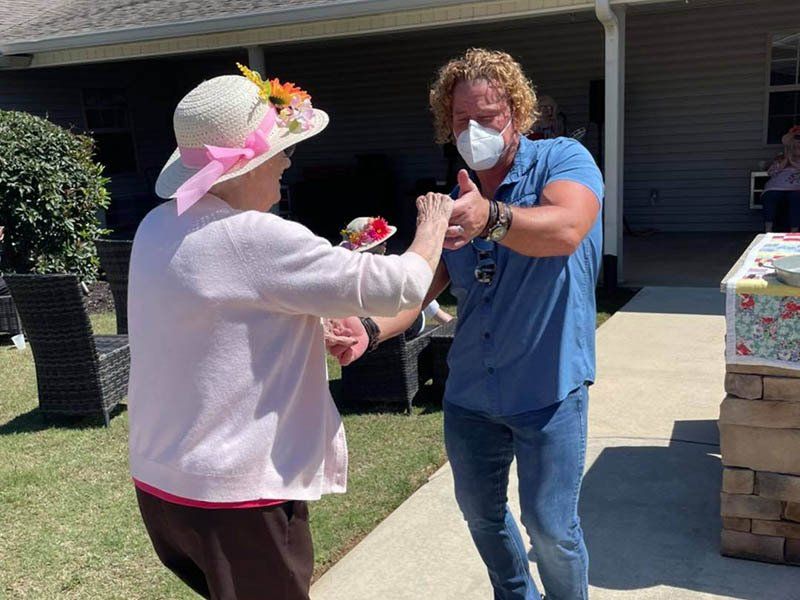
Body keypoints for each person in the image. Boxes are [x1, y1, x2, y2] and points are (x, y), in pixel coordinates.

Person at [126, 64, 453, 600]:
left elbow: (216, 322)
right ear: (245, 165)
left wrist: (308, 321)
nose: (286, 161)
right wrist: (434, 220)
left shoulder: (156, 226)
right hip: (236, 500)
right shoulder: (256, 237)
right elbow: (401, 285)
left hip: (164, 486)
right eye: (279, 149)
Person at [328, 48, 603, 600]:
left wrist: (493, 219)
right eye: (461, 121)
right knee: (483, 518)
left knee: (552, 530)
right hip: (471, 396)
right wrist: (370, 328)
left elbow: (567, 228)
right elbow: (421, 284)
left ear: (517, 114)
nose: (474, 129)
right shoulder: (455, 201)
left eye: (488, 116)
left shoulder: (563, 160)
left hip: (548, 391)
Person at [338, 215, 454, 338]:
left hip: (370, 329)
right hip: (406, 326)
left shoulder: (349, 273)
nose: (386, 243)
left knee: (409, 283)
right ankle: (442, 317)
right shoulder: (385, 268)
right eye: (382, 241)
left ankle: (442, 316)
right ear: (372, 247)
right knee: (413, 281)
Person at [763, 125, 800, 233]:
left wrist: (793, 163)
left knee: (796, 197)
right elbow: (771, 172)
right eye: (796, 141)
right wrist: (786, 159)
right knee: (770, 195)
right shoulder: (781, 157)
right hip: (776, 187)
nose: (798, 143)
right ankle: (768, 229)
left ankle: (794, 230)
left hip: (796, 188)